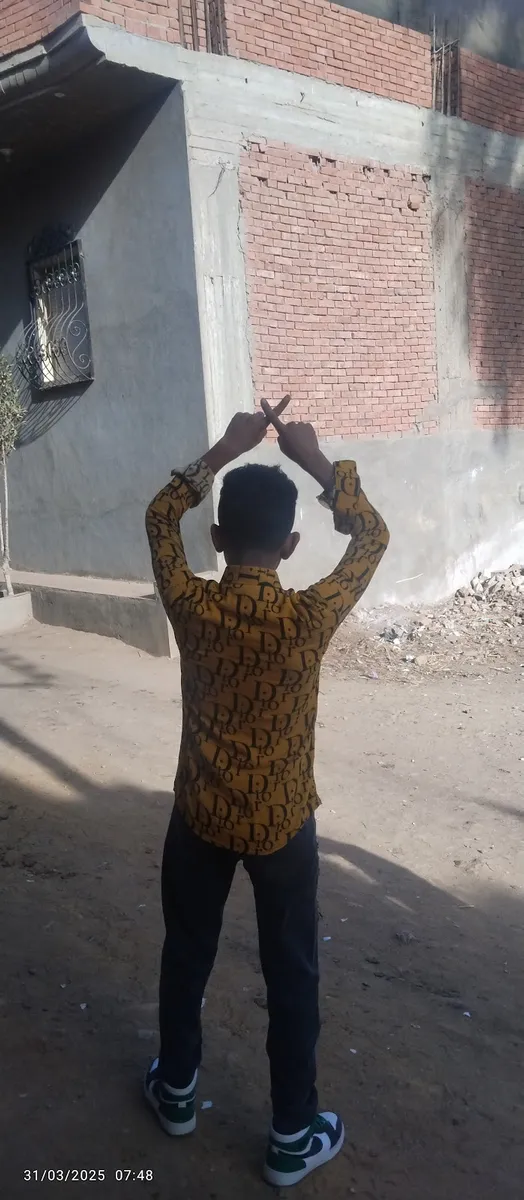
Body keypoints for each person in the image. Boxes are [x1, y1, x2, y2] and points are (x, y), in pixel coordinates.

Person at [144, 397, 389, 1188]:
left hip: (200, 815)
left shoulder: (193, 605)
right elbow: (372, 537)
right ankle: (291, 1136)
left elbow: (159, 515)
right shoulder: (307, 618)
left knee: (188, 953)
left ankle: (176, 1093)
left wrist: (224, 448)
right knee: (292, 973)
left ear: (218, 539)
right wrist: (312, 459)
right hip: (283, 824)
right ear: (289, 546)